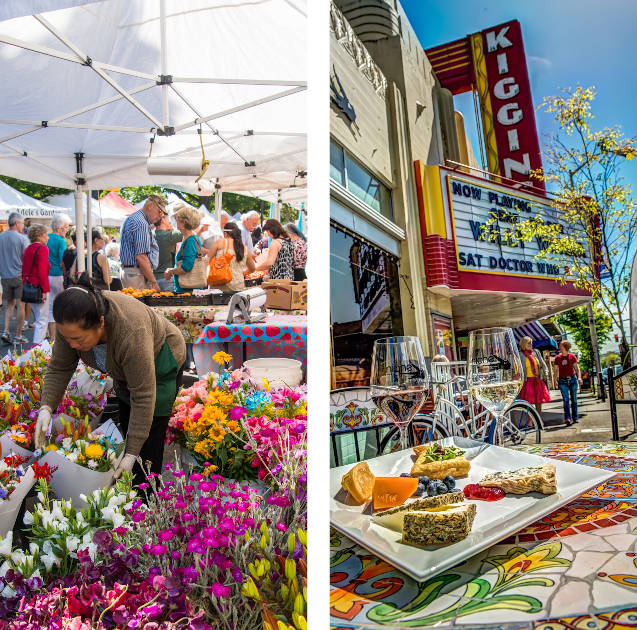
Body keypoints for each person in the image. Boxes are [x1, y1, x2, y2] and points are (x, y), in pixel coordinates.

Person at [34, 274, 186, 483]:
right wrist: (46, 407)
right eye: (66, 338)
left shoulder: (131, 331)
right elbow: (60, 367)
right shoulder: (70, 322)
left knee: (148, 441)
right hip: (125, 371)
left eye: (77, 339)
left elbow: (143, 396)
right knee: (127, 420)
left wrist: (132, 454)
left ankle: (147, 499)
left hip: (161, 361)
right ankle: (129, 488)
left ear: (101, 323)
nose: (72, 345)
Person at [119, 194, 166, 292]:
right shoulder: (141, 223)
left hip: (131, 273)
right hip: (136, 274)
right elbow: (141, 257)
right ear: (150, 206)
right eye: (159, 211)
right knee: (138, 306)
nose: (160, 215)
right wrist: (153, 282)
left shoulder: (134, 218)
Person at [164, 205, 206, 293]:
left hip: (188, 291)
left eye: (177, 219)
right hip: (188, 289)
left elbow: (186, 267)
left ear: (184, 222)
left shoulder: (190, 240)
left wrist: (170, 271)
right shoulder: (190, 238)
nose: (176, 222)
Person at [0, 212, 28, 344]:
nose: (23, 226)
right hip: (18, 276)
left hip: (5, 276)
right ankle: (18, 335)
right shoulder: (21, 238)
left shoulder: (1, 237)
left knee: (8, 305)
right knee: (20, 305)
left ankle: (5, 330)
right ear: (17, 223)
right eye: (22, 223)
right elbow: (26, 258)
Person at [22, 224, 50, 345]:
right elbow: (42, 271)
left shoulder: (28, 249)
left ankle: (38, 346)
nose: (48, 237)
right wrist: (45, 290)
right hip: (39, 286)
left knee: (39, 318)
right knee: (42, 320)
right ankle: (37, 348)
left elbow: (24, 269)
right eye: (46, 235)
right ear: (39, 235)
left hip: (29, 286)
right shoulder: (43, 249)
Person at [207, 222, 256, 291]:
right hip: (238, 286)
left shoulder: (219, 243)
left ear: (225, 233)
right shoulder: (245, 249)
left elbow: (206, 261)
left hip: (220, 285)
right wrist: (240, 274)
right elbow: (252, 268)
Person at [47, 213, 71, 340]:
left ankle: (52, 337)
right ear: (61, 228)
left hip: (47, 275)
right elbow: (64, 260)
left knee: (50, 307)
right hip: (58, 275)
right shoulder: (61, 241)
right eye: (66, 227)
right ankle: (63, 336)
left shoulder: (47, 238)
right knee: (62, 305)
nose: (67, 230)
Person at [553, 340, 583, 426]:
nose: (559, 347)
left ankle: (575, 417)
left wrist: (579, 377)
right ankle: (567, 418)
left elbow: (577, 369)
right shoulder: (557, 358)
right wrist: (555, 380)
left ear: (565, 347)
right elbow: (555, 370)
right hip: (562, 381)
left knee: (574, 400)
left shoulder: (572, 357)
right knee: (565, 400)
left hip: (573, 380)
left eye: (560, 345)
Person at [518, 337, 551, 414]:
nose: (531, 344)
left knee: (539, 401)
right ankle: (530, 420)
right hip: (527, 381)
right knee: (528, 402)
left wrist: (546, 372)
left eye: (531, 343)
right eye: (529, 343)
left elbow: (543, 364)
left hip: (537, 380)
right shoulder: (520, 354)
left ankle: (538, 419)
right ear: (523, 344)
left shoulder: (536, 352)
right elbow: (517, 367)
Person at [154, 212, 182, 292]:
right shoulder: (170, 235)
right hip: (167, 277)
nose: (169, 221)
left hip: (153, 278)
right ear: (163, 220)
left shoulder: (150, 235)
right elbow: (188, 233)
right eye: (168, 219)